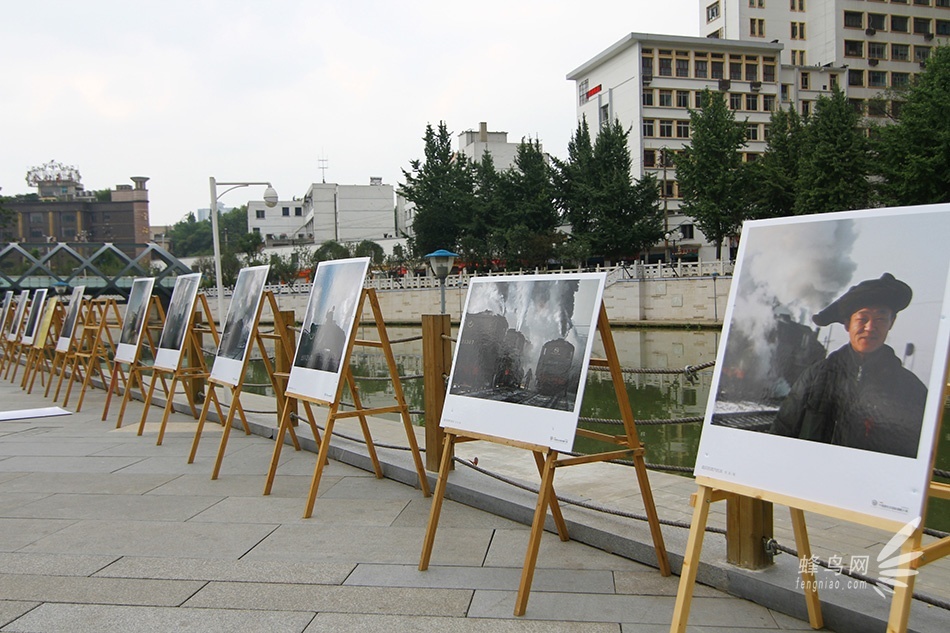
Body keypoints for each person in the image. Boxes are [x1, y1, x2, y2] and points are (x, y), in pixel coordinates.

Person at [770, 273, 927, 459]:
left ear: (891, 323)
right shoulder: (815, 377)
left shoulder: (911, 389)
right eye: (862, 319)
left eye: (880, 319)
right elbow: (780, 435)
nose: (870, 328)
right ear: (847, 324)